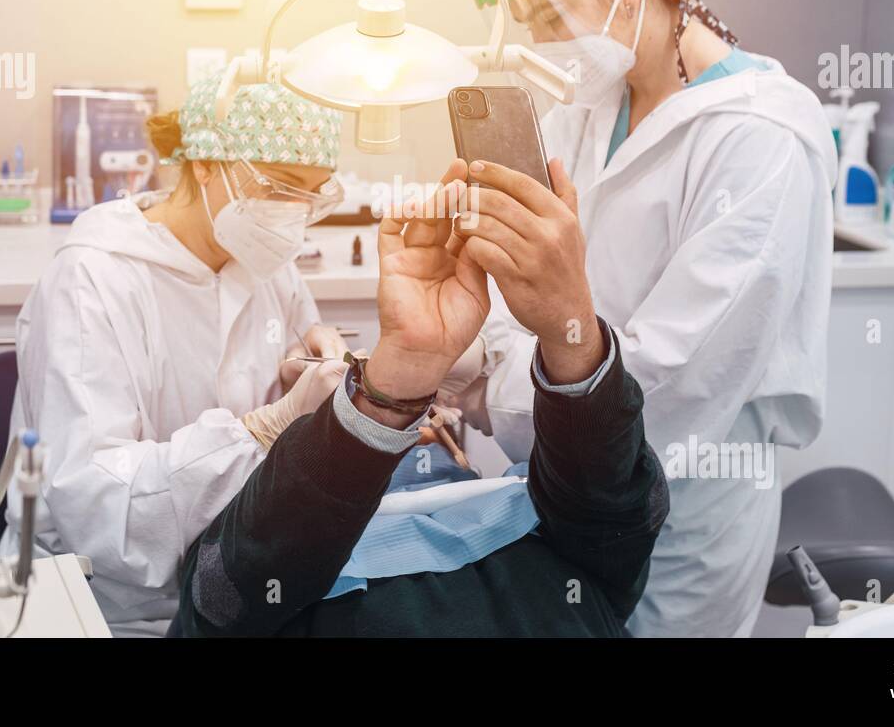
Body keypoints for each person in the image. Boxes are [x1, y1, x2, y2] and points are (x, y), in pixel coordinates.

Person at [445, 0, 838, 637]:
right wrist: (483, 363)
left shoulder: (759, 138)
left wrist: (493, 398)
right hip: (563, 473)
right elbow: (517, 272)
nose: (551, 46)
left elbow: (683, 369)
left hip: (687, 504)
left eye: (554, 17)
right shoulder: (590, 108)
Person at [171, 165, 668, 637]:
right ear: (459, 455)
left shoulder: (274, 578)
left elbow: (216, 603)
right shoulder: (564, 562)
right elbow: (618, 516)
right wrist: (568, 332)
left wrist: (390, 395)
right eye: (421, 424)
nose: (419, 434)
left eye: (418, 424)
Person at [2, 79, 349, 635]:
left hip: (242, 570)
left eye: (313, 192)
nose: (294, 214)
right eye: (280, 187)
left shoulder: (265, 262)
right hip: (109, 604)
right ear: (206, 164)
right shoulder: (93, 279)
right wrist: (261, 428)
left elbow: (294, 363)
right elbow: (98, 509)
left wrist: (309, 379)